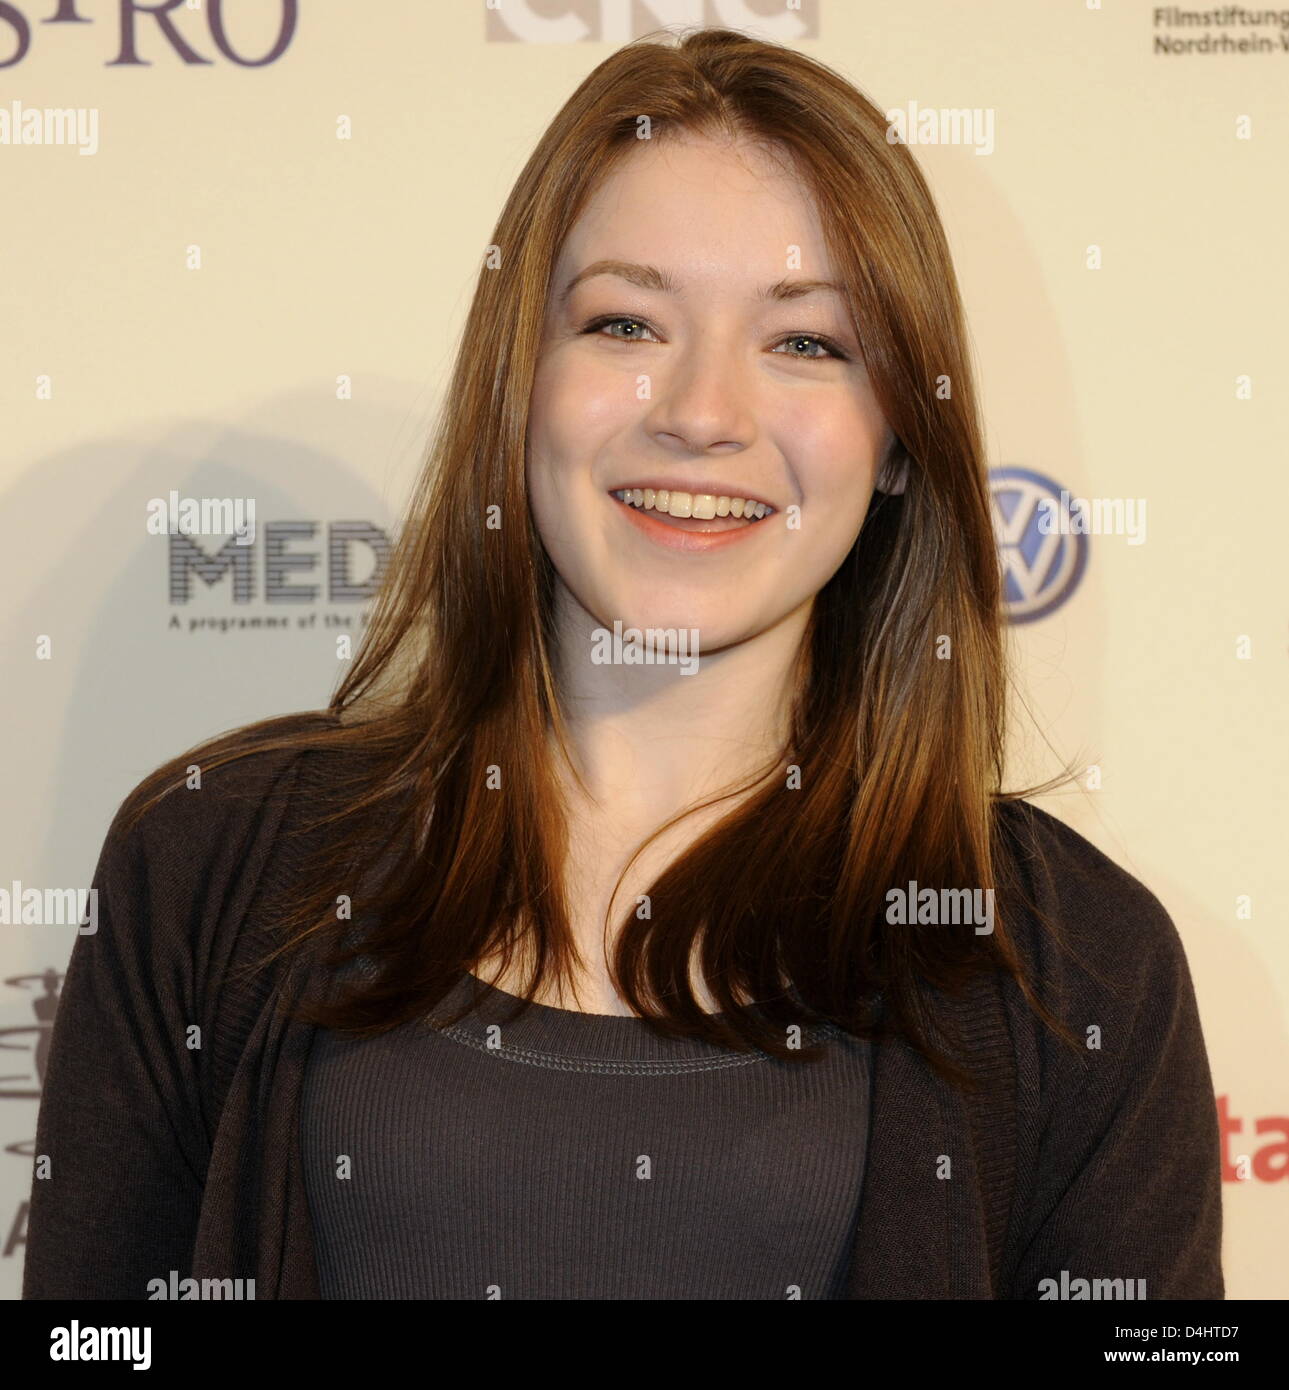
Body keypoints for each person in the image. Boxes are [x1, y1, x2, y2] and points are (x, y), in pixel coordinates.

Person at [22, 27, 1222, 1301]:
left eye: (805, 342)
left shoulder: (1072, 968)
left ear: (895, 439)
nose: (701, 412)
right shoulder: (209, 864)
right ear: (519, 382)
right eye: (625, 321)